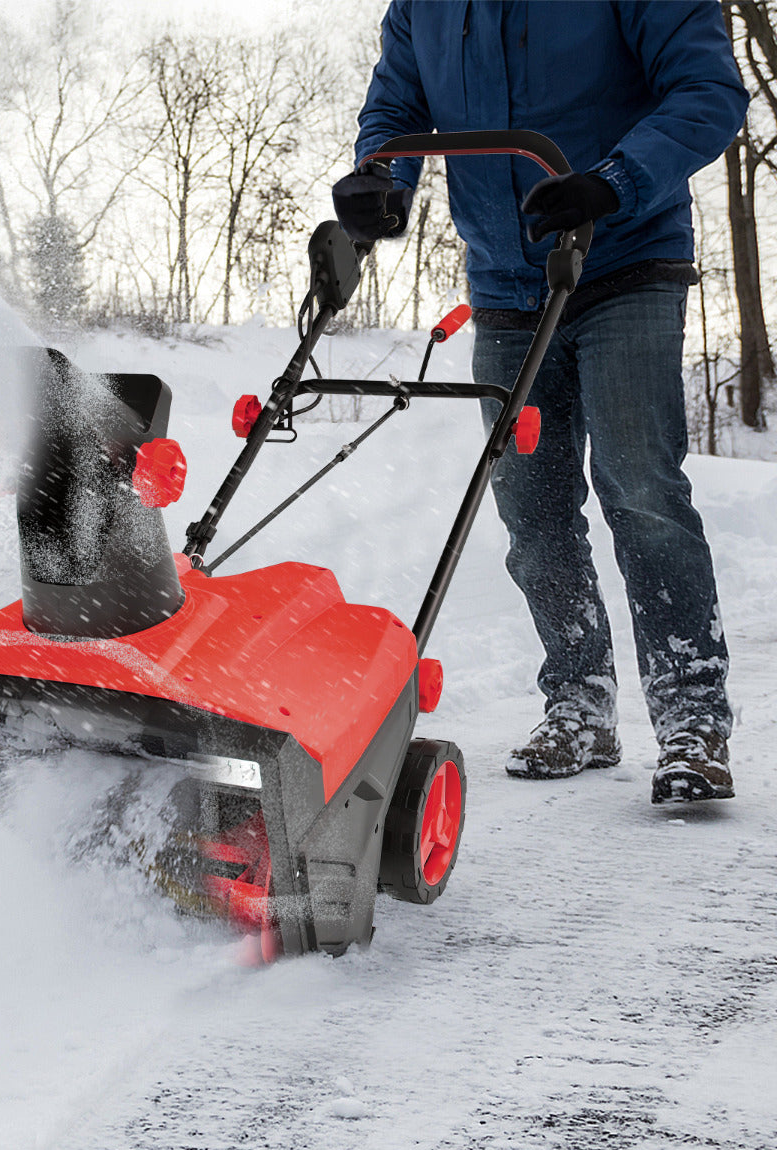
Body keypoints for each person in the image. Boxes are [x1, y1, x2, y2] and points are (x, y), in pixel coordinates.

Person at [333, 1, 749, 803]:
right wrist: (380, 174)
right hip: (504, 279)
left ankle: (693, 718)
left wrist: (616, 180)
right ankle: (580, 701)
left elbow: (708, 89)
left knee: (641, 488)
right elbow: (397, 104)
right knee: (531, 507)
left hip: (625, 256)